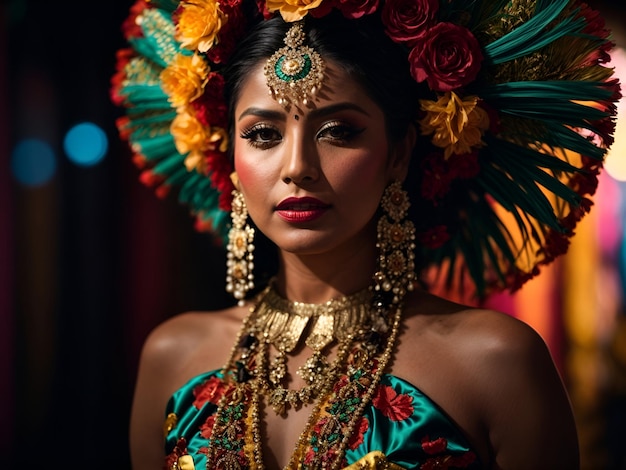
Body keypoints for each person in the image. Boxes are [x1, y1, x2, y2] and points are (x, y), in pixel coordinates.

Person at [111, 0, 621, 468]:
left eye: (338, 132)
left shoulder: (496, 362)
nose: (297, 168)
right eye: (263, 134)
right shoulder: (173, 355)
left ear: (398, 153)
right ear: (230, 155)